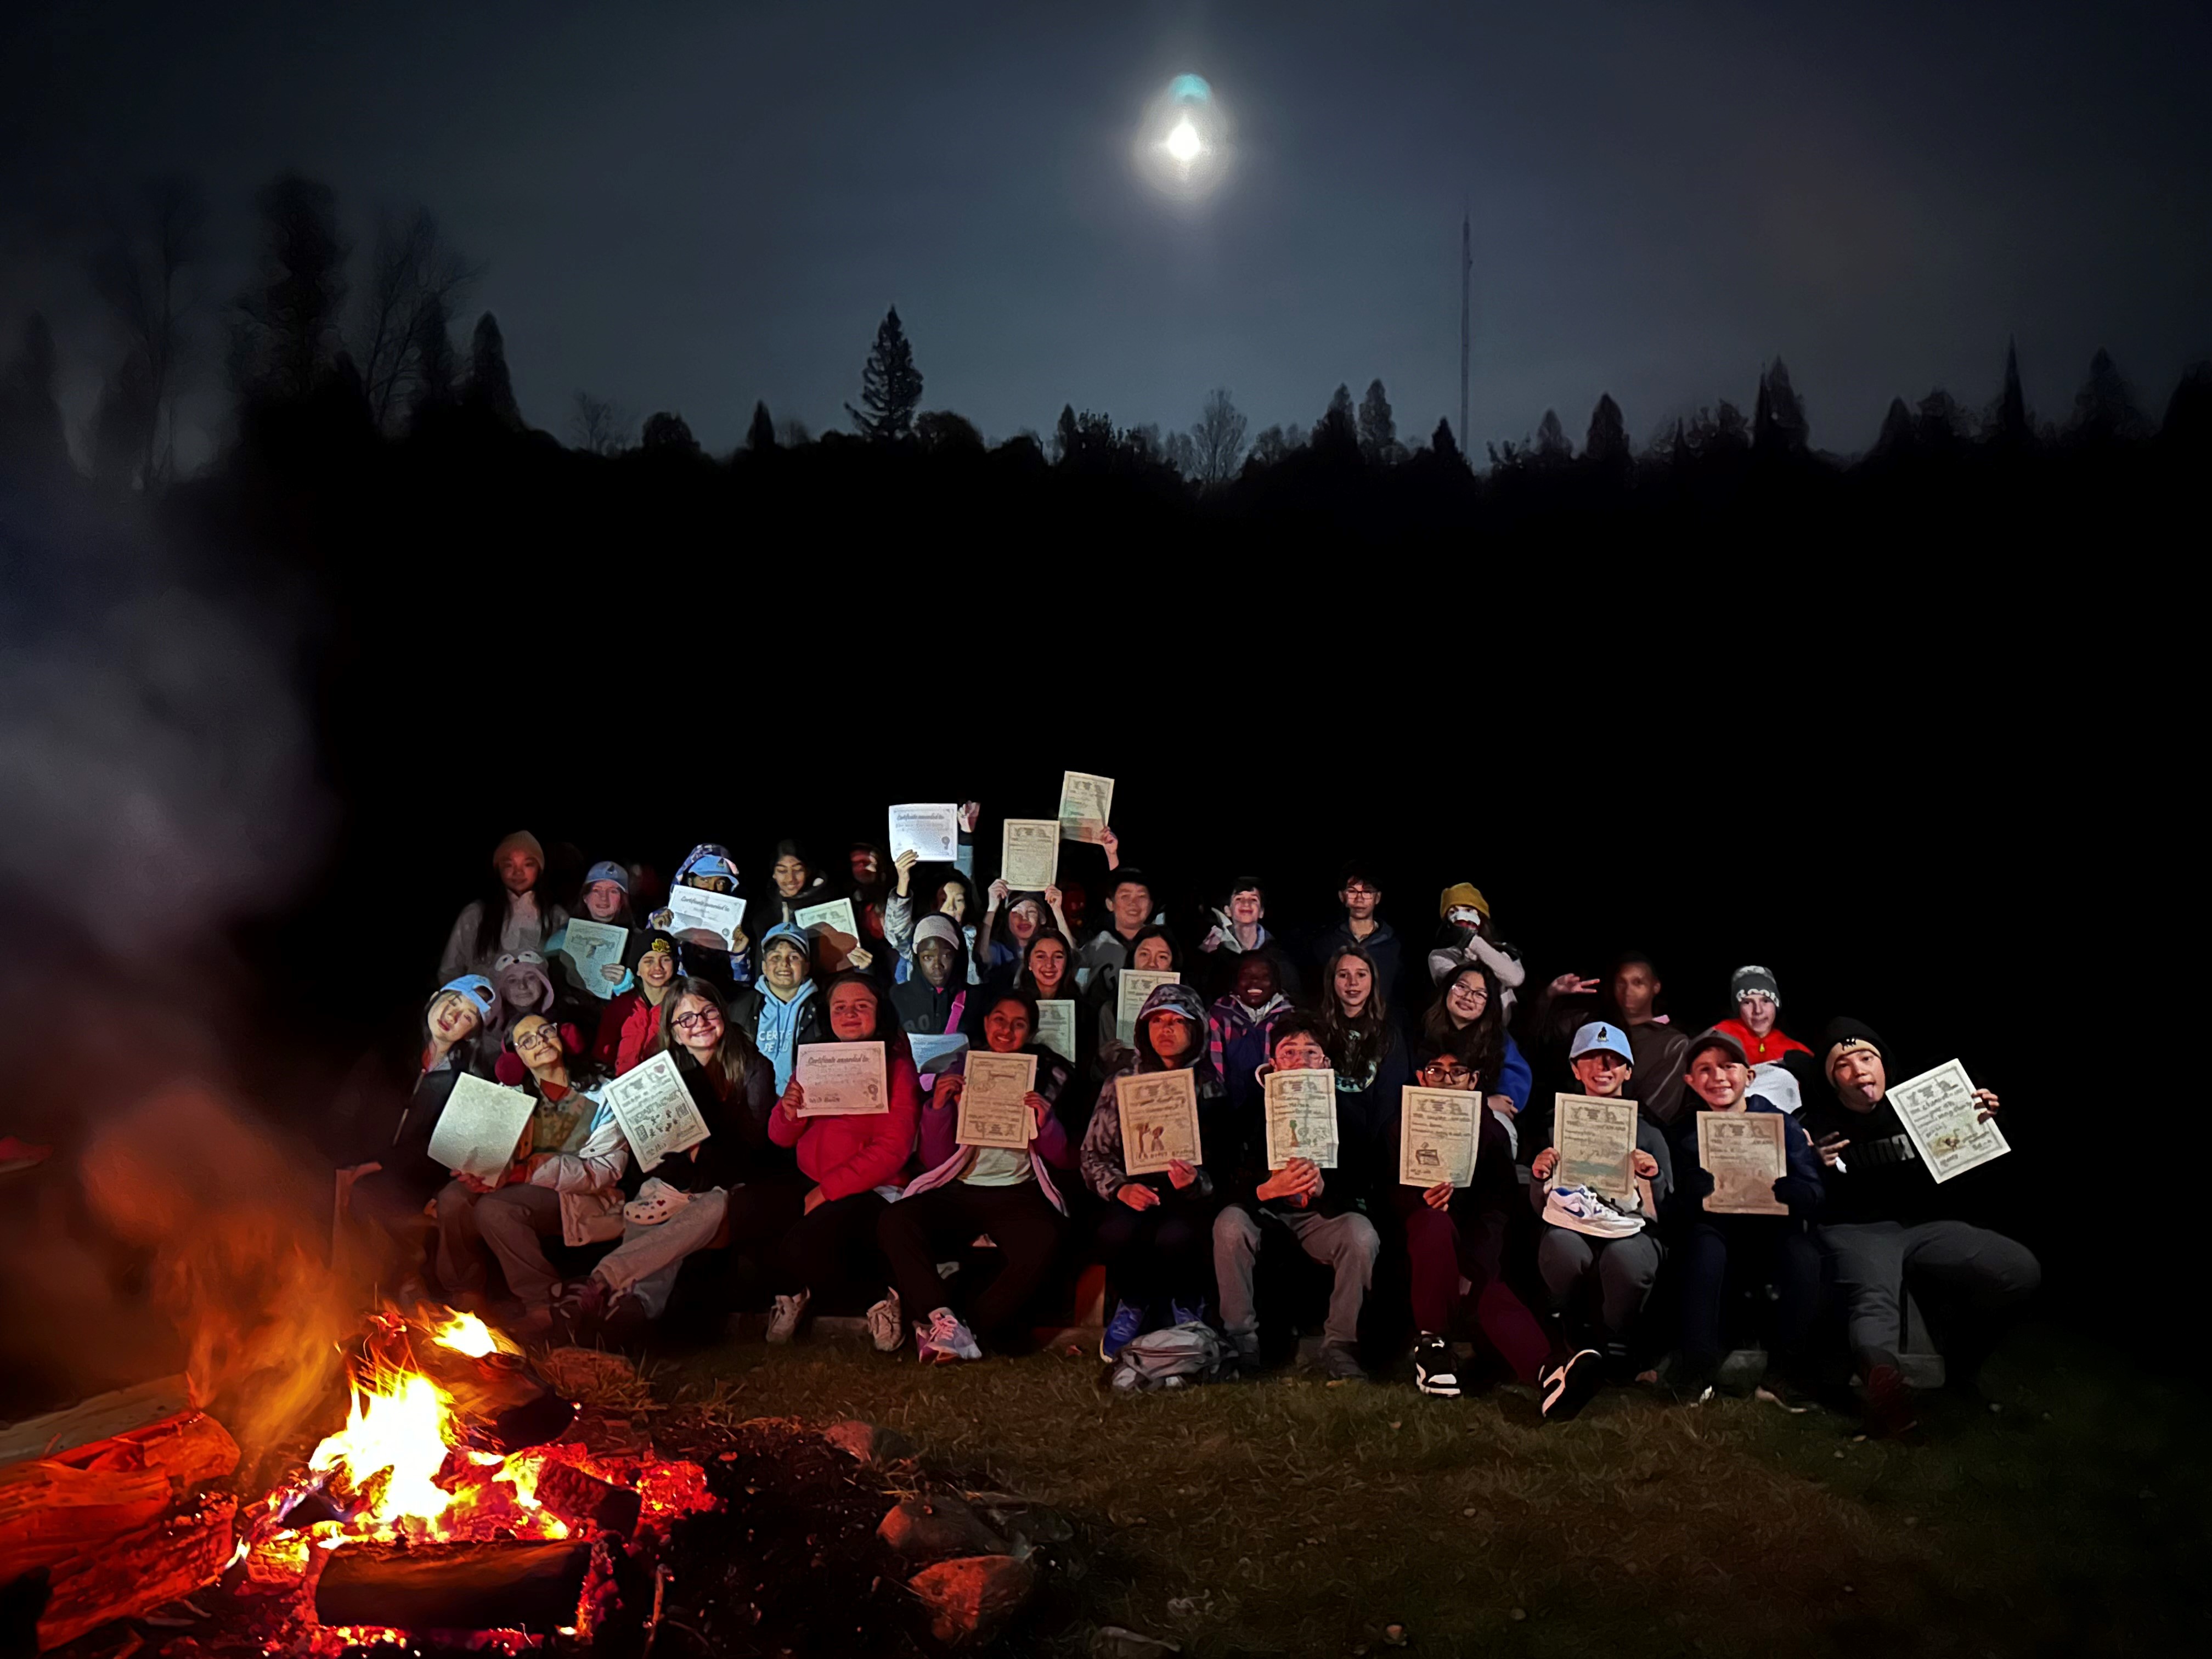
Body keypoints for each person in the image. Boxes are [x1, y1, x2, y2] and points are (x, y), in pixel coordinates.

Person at [1797, 1017, 2039, 1435]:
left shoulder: (1922, 1104)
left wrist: (1985, 1122)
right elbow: (1801, 1194)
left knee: (2017, 1269)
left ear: (1884, 1064)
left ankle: (1960, 1372)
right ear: (1832, 1080)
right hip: (1858, 1229)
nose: (1858, 1071)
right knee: (1874, 1300)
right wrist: (1811, 1163)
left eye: (1866, 1058)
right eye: (1843, 1065)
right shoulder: (1815, 1122)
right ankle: (1887, 1396)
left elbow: (1972, 1173)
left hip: (1925, 1226)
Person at [560, 979, 791, 1335]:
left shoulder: (754, 1067)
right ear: (674, 1032)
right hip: (676, 1181)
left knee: (709, 1205)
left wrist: (702, 1148)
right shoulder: (660, 1075)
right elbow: (654, 1153)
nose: (698, 1022)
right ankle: (631, 1311)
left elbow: (753, 1146)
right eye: (685, 1019)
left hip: (729, 1181)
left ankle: (601, 1281)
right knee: (652, 1197)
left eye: (707, 1011)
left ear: (722, 1016)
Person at [877, 989, 1076, 1361]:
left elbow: (1064, 1159)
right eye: (999, 1020)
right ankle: (940, 1314)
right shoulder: (960, 1069)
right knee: (896, 1221)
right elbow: (935, 1158)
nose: (1006, 1030)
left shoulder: (1046, 1077)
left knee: (1046, 1239)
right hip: (961, 1189)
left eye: (1019, 1024)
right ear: (985, 1024)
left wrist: (1046, 1124)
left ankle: (968, 1327)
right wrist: (937, 1109)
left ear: (1030, 1033)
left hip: (1018, 1192)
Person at [1212, 1015, 1380, 1380]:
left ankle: (1340, 1346)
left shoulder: (1349, 1116)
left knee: (1361, 1234)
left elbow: (1365, 1185)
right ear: (1273, 1062)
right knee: (1228, 1225)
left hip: (1320, 1219)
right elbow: (1224, 1185)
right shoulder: (1249, 1112)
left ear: (1326, 1064)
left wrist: (1325, 1190)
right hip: (1265, 1216)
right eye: (1290, 1053)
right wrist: (1265, 1190)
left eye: (1311, 1053)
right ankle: (1242, 1344)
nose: (1301, 1062)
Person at [1664, 1029, 1824, 1403]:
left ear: (1749, 1076)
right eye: (1704, 1069)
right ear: (1690, 1081)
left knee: (1804, 1257)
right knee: (1703, 1251)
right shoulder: (1683, 1132)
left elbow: (1816, 1192)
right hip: (1715, 1231)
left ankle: (1783, 1374)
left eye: (1727, 1066)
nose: (1717, 1077)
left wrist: (1793, 1190)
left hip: (1771, 1230)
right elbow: (1670, 1211)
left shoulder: (1782, 1125)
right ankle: (1696, 1369)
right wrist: (1692, 1192)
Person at [1526, 1020, 1674, 1418]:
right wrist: (1540, 1174)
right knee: (1560, 1246)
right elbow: (1537, 1204)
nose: (1603, 1067)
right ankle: (1572, 1338)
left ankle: (1617, 1343)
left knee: (1625, 1260)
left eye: (1614, 1060)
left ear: (1628, 1070)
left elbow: (1666, 1213)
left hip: (1631, 1229)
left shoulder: (1650, 1130)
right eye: (1591, 1058)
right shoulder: (1553, 1125)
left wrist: (1652, 1178)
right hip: (1572, 1224)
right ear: (1575, 1069)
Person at [444, 1014, 628, 1334]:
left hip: (582, 1196)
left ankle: (542, 1305)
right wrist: (477, 1172)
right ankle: (465, 1293)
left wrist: (523, 1172)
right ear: (516, 1057)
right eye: (527, 1040)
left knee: (495, 1209)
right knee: (452, 1199)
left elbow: (604, 1172)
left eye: (546, 1031)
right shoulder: (509, 1096)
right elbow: (493, 1157)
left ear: (564, 1037)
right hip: (520, 1181)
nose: (541, 1041)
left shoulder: (605, 1093)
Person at [765, 973, 923, 1342]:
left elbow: (893, 1148)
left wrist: (828, 1191)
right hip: (811, 1178)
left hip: (870, 1189)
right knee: (747, 1212)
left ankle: (880, 1299)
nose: (850, 1014)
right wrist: (788, 1113)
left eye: (861, 1006)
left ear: (880, 1013)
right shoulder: (815, 1061)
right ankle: (794, 1294)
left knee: (804, 1245)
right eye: (840, 1007)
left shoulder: (897, 1068)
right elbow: (779, 1137)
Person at [1391, 1045, 1551, 1403]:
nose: (1446, 1080)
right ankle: (1432, 1347)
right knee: (1433, 1224)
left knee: (1492, 1294)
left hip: (1473, 1252)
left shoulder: (1490, 1131)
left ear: (1473, 1081)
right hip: (1419, 1256)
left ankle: (1548, 1373)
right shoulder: (1401, 1125)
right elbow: (1387, 1196)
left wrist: (1474, 1268)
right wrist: (1420, 1201)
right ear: (1421, 1078)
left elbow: (1499, 1206)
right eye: (1436, 1071)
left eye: (1457, 1072)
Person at [1079, 981, 1221, 1358]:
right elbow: (1093, 1154)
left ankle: (1187, 1306)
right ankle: (1133, 1303)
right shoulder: (1122, 1082)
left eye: (1178, 1022)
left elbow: (1228, 1167)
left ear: (1196, 1031)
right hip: (1135, 1190)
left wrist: (1197, 1183)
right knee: (1116, 1231)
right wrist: (1121, 1188)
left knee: (1177, 1236)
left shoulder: (1211, 1088)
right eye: (1157, 1021)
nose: (1166, 1030)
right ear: (1144, 1029)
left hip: (1188, 1198)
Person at [345, 977, 503, 1289]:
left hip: (402, 1174)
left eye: (468, 1017)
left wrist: (381, 1165)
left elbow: (438, 1147)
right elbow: (348, 1106)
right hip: (350, 1156)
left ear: (471, 1033)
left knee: (379, 1200)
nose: (454, 1016)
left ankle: (397, 1289)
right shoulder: (389, 1046)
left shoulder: (466, 1078)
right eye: (453, 1002)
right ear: (435, 998)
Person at [1532, 952, 1690, 1128]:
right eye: (1621, 983)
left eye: (1638, 983)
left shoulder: (1673, 1043)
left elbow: (1658, 1108)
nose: (1628, 991)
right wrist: (1549, 996)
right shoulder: (1591, 1025)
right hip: (1575, 1124)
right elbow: (1540, 1039)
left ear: (1655, 987)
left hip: (1631, 1130)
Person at [1314, 944, 1412, 1192]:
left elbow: (1390, 1098)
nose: (1352, 983)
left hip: (1370, 1143)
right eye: (1343, 975)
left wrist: (1372, 1149)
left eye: (1361, 974)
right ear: (1332, 981)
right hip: (1324, 1139)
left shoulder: (1389, 1033)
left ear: (1373, 980)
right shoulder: (1316, 1030)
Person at [1420, 959, 1534, 1154]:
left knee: (1502, 1127)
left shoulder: (1497, 1040)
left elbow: (1511, 1093)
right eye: (1461, 987)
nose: (1468, 997)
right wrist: (1484, 1102)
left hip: (1478, 1117)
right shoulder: (1423, 1032)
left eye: (1480, 994)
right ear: (1448, 989)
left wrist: (1485, 1106)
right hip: (1429, 1113)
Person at [438, 831, 569, 983]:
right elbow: (450, 971)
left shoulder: (556, 917)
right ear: (498, 869)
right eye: (509, 865)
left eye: (528, 864)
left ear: (539, 869)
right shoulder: (475, 915)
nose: (518, 872)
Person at [730, 923, 828, 1093]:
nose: (784, 964)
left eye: (794, 957)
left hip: (804, 1101)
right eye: (776, 957)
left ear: (806, 967)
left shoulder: (823, 1009)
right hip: (754, 1104)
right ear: (764, 967)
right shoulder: (740, 1009)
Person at [1711, 965, 1821, 1113]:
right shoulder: (1720, 1036)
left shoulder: (1794, 1050)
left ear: (1776, 1005)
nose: (1758, 1011)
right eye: (1748, 1002)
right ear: (1739, 1007)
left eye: (1766, 1001)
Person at [650, 844, 755, 995]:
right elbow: (645, 971)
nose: (712, 889)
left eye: (720, 882)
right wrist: (657, 934)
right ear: (690, 880)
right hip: (672, 1002)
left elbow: (743, 986)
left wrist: (738, 953)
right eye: (705, 880)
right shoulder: (660, 918)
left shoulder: (736, 928)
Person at [1206, 952, 1295, 1122]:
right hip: (1230, 1113)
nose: (1255, 982)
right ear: (1234, 982)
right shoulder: (1219, 1017)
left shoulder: (1289, 1018)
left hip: (1280, 1111)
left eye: (1264, 977)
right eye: (1247, 976)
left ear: (1276, 985)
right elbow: (1215, 1069)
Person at [1424, 883, 1527, 1014]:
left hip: (1501, 1030)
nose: (1461, 916)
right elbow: (1461, 987)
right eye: (1453, 912)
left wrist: (1472, 942)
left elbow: (1515, 978)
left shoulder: (1502, 950)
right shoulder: (1440, 956)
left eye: (1468, 910)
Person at [1308, 864, 1402, 1006]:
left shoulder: (1395, 946)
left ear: (1377, 898)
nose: (1359, 899)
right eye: (1352, 892)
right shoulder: (1326, 944)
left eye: (1367, 892)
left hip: (1383, 1024)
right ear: (1342, 897)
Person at [1093, 922, 1183, 1070]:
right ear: (1132, 960)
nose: (1152, 964)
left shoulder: (1189, 1013)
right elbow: (1101, 1077)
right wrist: (1103, 1062)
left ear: (1171, 968)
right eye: (1144, 954)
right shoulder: (1110, 1011)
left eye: (1162, 957)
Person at [1195, 878, 1302, 1000]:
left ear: (1261, 912)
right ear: (1227, 910)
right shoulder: (1214, 945)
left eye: (1253, 900)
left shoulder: (1277, 955)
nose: (1246, 904)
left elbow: (1292, 997)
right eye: (1239, 899)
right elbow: (1199, 983)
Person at [544, 860, 636, 1001]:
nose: (603, 898)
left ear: (622, 900)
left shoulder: (636, 942)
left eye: (613, 891)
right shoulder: (561, 939)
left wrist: (623, 983)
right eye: (596, 890)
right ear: (585, 898)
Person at [591, 928, 679, 1075]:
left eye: (665, 959)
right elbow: (604, 1054)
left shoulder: (682, 1005)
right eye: (648, 961)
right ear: (637, 969)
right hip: (625, 1085)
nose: (658, 967)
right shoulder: (622, 1006)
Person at [1073, 865, 1156, 1005]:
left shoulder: (1163, 946)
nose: (1133, 903)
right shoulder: (1095, 949)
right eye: (1125, 896)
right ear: (1110, 904)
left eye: (1141, 896)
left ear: (1151, 905)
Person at [976, 879, 1074, 989]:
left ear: (1041, 919)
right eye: (1016, 912)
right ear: (1007, 920)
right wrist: (992, 907)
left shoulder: (1049, 951)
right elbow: (981, 957)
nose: (1024, 918)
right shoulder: (1000, 951)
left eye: (1031, 912)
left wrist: (1057, 910)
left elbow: (1072, 957)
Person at [890, 915, 974, 1040]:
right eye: (928, 957)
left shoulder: (976, 998)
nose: (937, 966)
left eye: (946, 956)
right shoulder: (898, 997)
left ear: (957, 956)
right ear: (917, 959)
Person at [754, 839, 832, 938]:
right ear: (774, 874)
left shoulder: (827, 902)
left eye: (798, 870)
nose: (791, 878)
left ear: (807, 871)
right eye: (782, 871)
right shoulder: (763, 910)